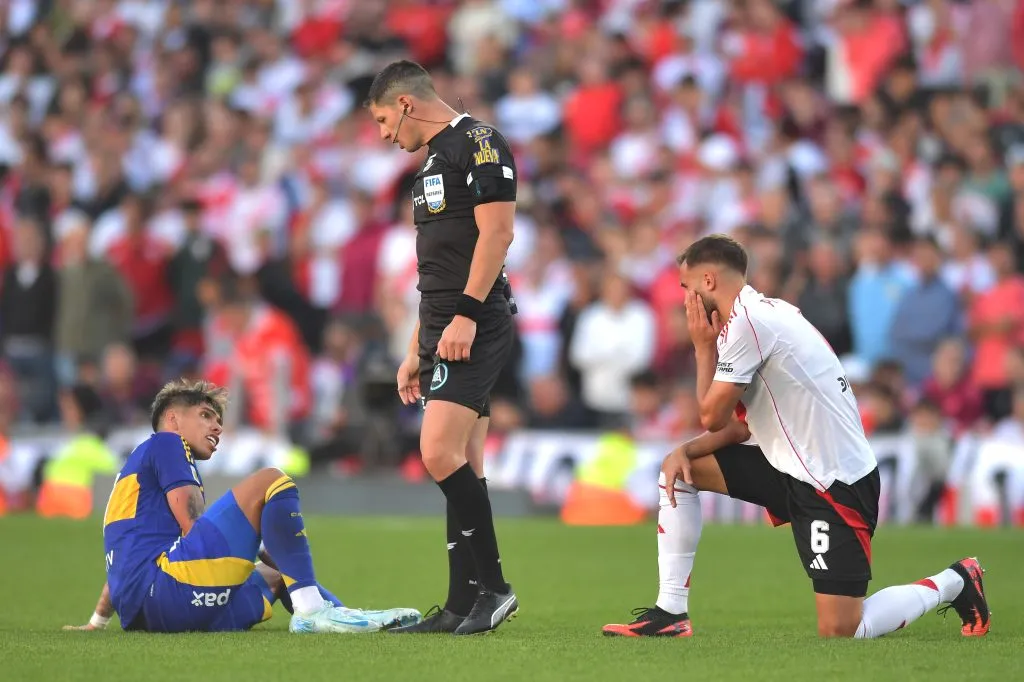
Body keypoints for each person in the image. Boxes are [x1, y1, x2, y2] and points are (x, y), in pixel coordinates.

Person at [603, 235, 991, 639]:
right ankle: (670, 613)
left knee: (843, 629)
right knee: (680, 472)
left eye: (687, 288)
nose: (686, 301)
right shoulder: (759, 316)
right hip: (787, 463)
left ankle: (956, 580)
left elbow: (712, 416)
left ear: (708, 281)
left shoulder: (749, 324)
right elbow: (745, 423)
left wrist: (703, 348)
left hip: (834, 481)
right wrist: (684, 450)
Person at [64, 379, 421, 634]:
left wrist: (98, 621)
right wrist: (255, 543)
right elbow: (194, 525)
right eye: (206, 415)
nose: (217, 426)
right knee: (271, 479)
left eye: (218, 420)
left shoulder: (133, 475)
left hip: (148, 615)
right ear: (172, 419)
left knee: (285, 575)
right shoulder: (167, 445)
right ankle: (314, 612)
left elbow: (126, 561)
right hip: (171, 592)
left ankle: (344, 618)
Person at [366, 60, 519, 635]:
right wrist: (416, 347)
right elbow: (436, 269)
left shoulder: (480, 143)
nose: (384, 134)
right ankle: (461, 604)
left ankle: (497, 589)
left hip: (473, 324)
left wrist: (467, 316)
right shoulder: (429, 164)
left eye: (383, 119)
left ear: (405, 104)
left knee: (436, 452)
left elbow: (498, 234)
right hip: (442, 326)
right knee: (462, 460)